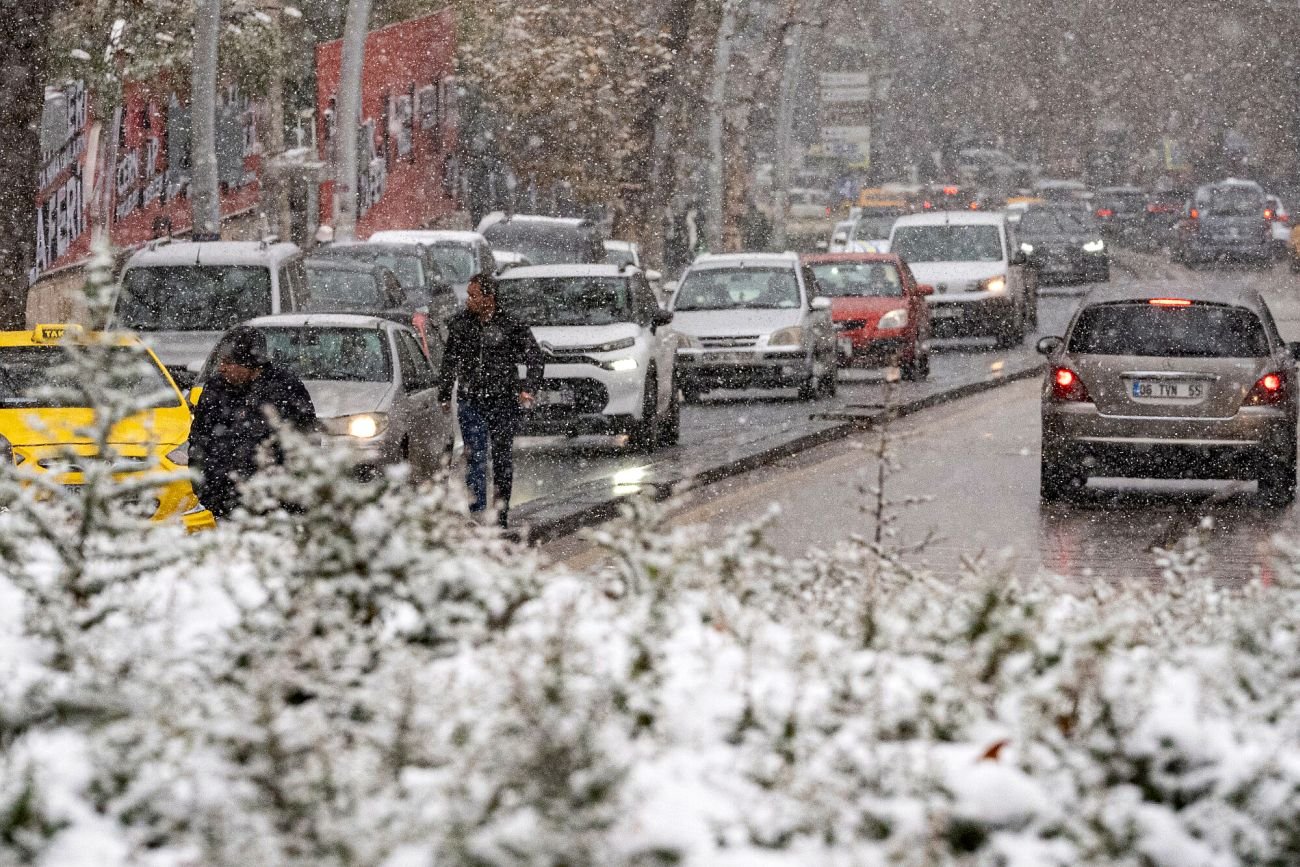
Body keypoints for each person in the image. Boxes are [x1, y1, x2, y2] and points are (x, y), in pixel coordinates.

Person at [438, 272, 544, 529]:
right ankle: (478, 514)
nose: (468, 301)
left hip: (503, 400)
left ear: (489, 298)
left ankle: (500, 514)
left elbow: (534, 357)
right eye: (468, 295)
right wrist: (443, 392)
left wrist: (528, 388)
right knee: (475, 456)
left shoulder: (511, 325)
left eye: (473, 296)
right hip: (471, 399)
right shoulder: (461, 325)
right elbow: (450, 360)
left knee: (501, 458)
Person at [190, 326, 317, 519]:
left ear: (249, 364)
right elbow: (199, 441)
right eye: (220, 361)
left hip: (276, 507)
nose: (221, 368)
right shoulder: (215, 389)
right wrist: (208, 493)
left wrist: (288, 498)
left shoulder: (286, 389)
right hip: (227, 505)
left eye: (228, 362)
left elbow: (306, 443)